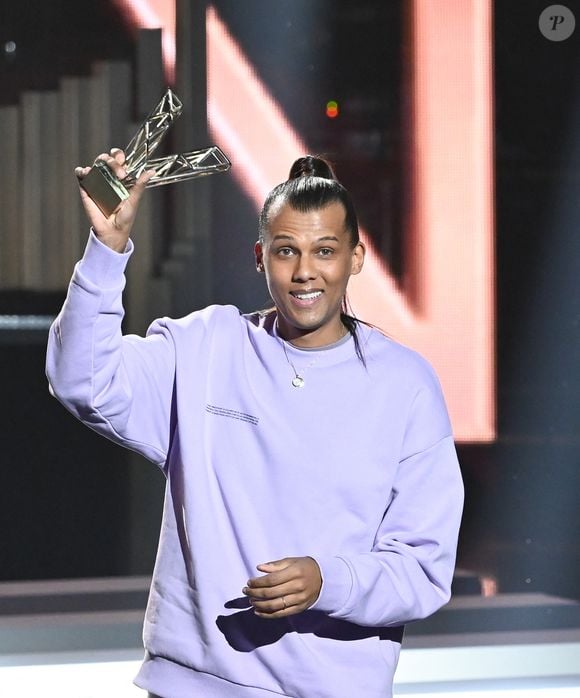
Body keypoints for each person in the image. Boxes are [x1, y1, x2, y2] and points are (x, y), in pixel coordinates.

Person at [46, 149, 464, 698]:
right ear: (260, 257)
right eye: (286, 250)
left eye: (326, 251)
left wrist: (326, 581)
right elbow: (82, 379)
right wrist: (107, 249)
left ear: (356, 259)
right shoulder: (207, 346)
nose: (305, 271)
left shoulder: (405, 385)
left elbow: (423, 568)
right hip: (193, 685)